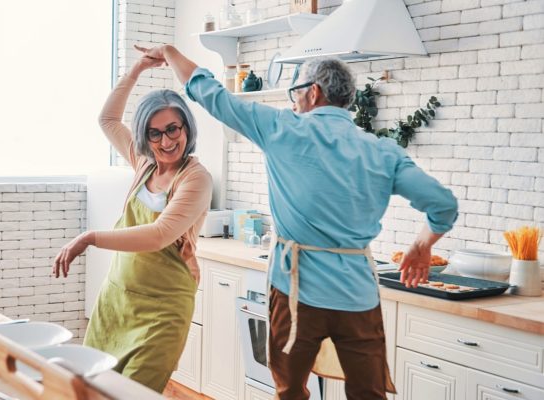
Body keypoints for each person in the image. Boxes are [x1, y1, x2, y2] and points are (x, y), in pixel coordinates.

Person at [136, 44, 458, 400]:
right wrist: (421, 246)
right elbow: (443, 206)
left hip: (294, 293)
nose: (292, 101)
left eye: (295, 91)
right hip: (358, 296)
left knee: (289, 392)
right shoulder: (382, 151)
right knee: (368, 394)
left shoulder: (282, 128)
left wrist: (170, 53)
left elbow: (212, 95)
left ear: (313, 92)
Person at [52, 54, 212, 393]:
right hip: (117, 300)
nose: (166, 142)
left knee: (132, 393)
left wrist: (90, 237)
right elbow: (108, 119)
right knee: (91, 389)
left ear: (186, 128)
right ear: (145, 136)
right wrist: (137, 69)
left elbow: (160, 235)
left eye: (173, 129)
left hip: (163, 311)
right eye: (155, 134)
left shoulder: (195, 179)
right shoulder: (145, 163)